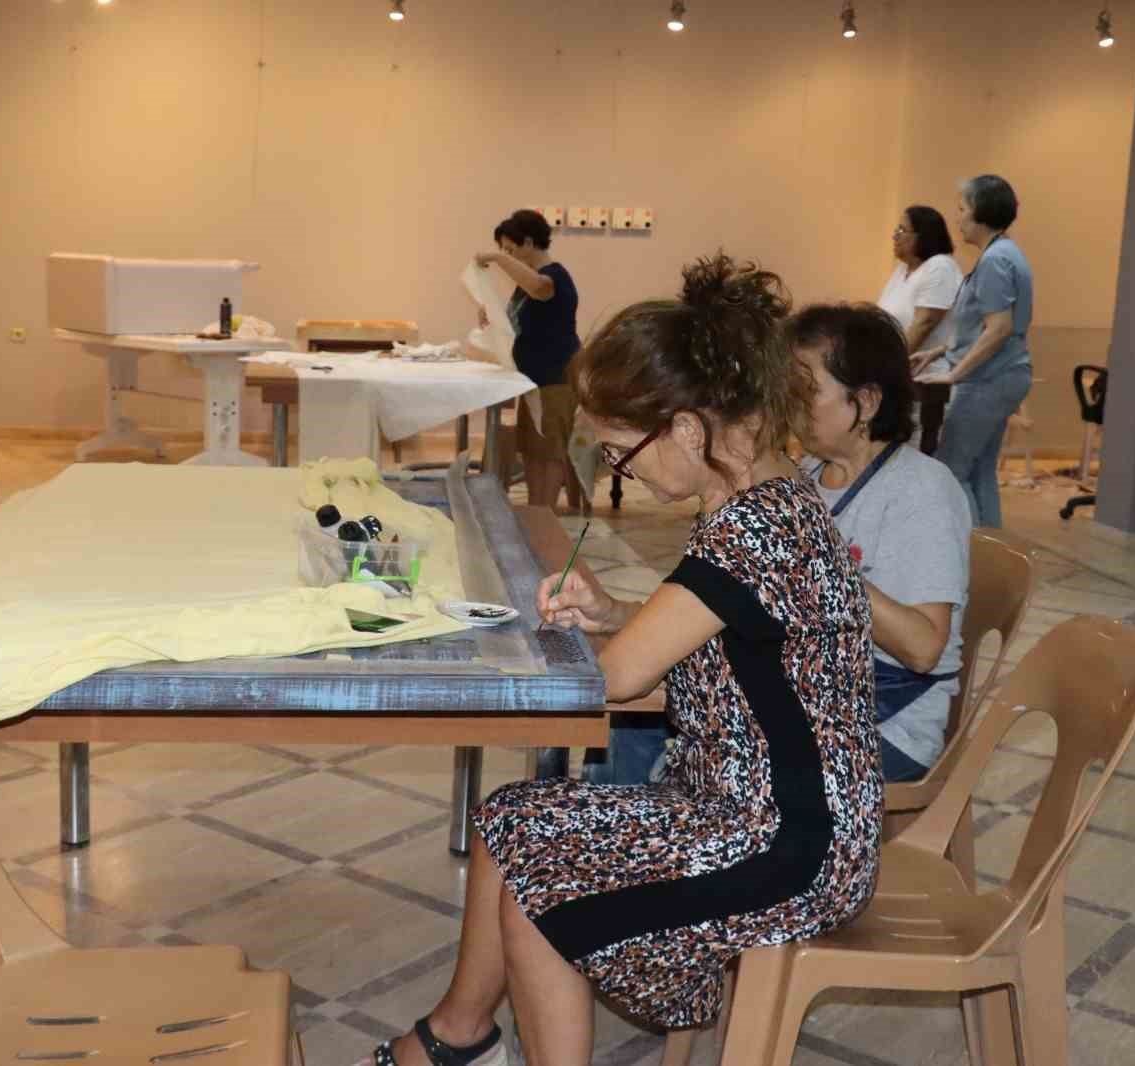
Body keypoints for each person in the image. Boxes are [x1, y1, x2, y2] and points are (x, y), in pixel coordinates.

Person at [358, 254, 881, 1066]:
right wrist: (614, 616)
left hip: (791, 844)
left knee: (543, 897)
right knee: (511, 820)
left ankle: (466, 1042)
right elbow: (737, 639)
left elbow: (619, 678)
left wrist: (578, 644)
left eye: (618, 453)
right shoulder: (768, 499)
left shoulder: (753, 528)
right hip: (755, 809)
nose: (618, 473)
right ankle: (460, 1037)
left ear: (685, 429)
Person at [792, 303, 972, 783]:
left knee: (717, 763)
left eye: (804, 389)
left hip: (886, 728)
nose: (786, 403)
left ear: (867, 402)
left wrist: (817, 556)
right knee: (648, 718)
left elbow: (922, 648)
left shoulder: (921, 489)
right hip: (811, 695)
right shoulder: (807, 474)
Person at [912, 175, 1034, 527]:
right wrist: (939, 352)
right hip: (1003, 375)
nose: (958, 218)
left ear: (981, 212)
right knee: (980, 471)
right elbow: (982, 327)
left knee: (952, 471)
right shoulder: (1005, 253)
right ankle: (989, 551)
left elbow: (999, 329)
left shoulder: (995, 260)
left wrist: (954, 374)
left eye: (962, 209)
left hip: (988, 380)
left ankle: (968, 551)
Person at [475, 209, 581, 509]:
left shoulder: (555, 277)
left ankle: (544, 515)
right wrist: (492, 315)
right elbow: (518, 324)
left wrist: (498, 259)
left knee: (549, 451)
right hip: (532, 378)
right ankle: (536, 512)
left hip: (555, 376)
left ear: (530, 243)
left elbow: (539, 288)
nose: (508, 256)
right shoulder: (525, 286)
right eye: (504, 251)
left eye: (511, 249)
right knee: (533, 450)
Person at [876, 205, 961, 359]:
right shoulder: (903, 268)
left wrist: (890, 365)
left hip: (927, 369)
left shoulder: (940, 266)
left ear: (923, 236)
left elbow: (925, 323)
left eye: (902, 230)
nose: (894, 236)